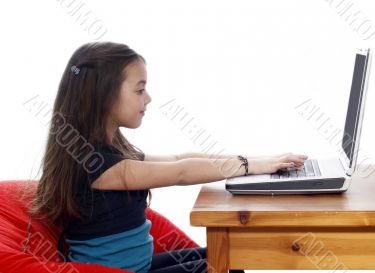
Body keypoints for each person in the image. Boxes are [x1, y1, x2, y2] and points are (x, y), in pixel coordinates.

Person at [27, 41, 307, 273]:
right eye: (139, 89)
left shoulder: (108, 152)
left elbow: (176, 158)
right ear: (103, 97)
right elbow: (181, 173)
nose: (147, 98)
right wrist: (249, 166)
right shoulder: (97, 166)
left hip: (141, 266)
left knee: (229, 254)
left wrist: (255, 161)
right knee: (227, 264)